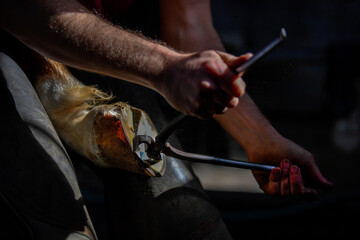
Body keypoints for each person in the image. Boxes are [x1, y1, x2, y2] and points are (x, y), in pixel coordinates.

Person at [0, 0, 333, 239]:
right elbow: (21, 9)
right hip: (13, 41)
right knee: (52, 211)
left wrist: (260, 138)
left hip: (101, 50)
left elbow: (189, 26)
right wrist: (164, 68)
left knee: (186, 221)